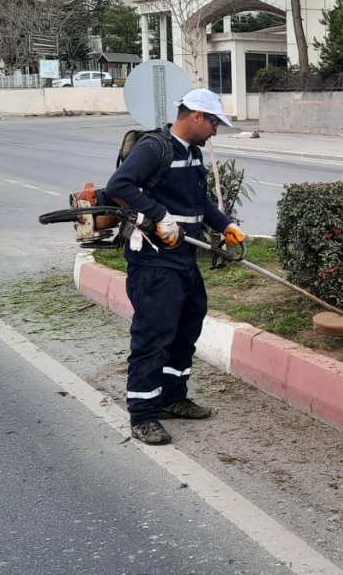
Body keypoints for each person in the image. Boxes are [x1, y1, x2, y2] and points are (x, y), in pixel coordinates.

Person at [103, 89, 245, 445]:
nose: (215, 130)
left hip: (183, 257)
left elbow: (198, 202)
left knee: (187, 326)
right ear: (196, 116)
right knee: (154, 336)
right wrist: (159, 216)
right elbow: (118, 185)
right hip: (154, 260)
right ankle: (143, 414)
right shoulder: (154, 148)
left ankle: (172, 398)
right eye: (213, 122)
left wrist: (224, 224)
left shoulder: (193, 153)